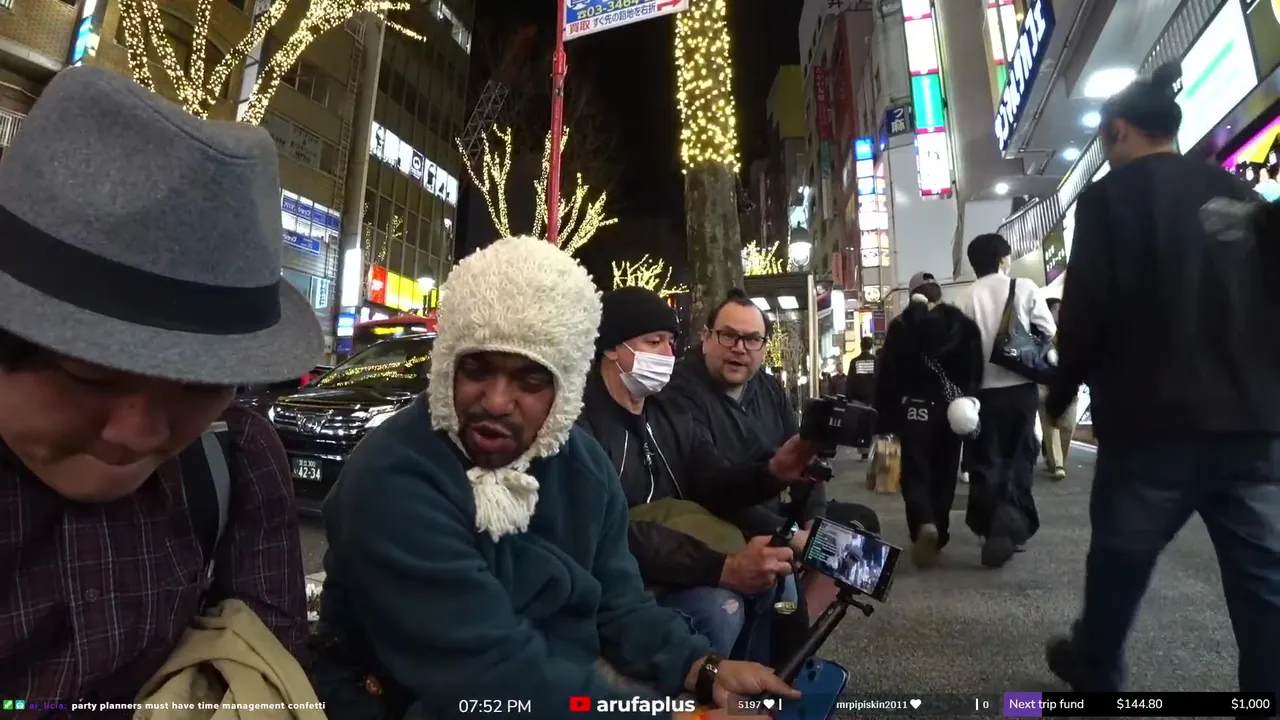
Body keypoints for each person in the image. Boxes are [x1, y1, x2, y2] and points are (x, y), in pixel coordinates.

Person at [314, 236, 798, 719]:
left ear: (564, 386)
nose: (496, 401)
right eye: (477, 369)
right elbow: (487, 675)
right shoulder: (392, 476)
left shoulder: (583, 466)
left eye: (530, 379)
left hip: (557, 678)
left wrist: (704, 669)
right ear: (446, 369)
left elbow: (618, 604)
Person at [0, 67, 317, 707]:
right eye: (90, 373)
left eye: (198, 386)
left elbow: (268, 683)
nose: (139, 432)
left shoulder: (237, 460)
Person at [1042, 62, 1280, 697]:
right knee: (1266, 586)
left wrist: (1062, 393)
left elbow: (1087, 308)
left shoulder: (1108, 199)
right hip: (1250, 422)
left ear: (1118, 129)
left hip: (1151, 423)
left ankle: (1098, 673)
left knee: (1119, 565)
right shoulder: (1240, 193)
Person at [577, 287, 821, 663]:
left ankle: (766, 686)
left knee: (772, 575)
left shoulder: (668, 415)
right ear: (611, 348)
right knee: (720, 609)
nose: (667, 355)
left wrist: (774, 473)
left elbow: (714, 483)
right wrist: (722, 568)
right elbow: (610, 533)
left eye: (671, 343)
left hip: (676, 562)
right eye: (654, 342)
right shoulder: (580, 428)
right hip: (616, 584)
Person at [664, 289, 880, 630]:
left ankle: (796, 639)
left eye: (752, 339)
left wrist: (813, 521)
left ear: (764, 347)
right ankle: (785, 638)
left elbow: (803, 455)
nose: (739, 348)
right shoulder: (680, 392)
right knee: (811, 554)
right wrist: (791, 533)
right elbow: (709, 488)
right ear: (706, 338)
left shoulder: (767, 388)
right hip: (718, 519)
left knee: (862, 545)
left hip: (777, 514)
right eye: (728, 335)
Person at [956, 233, 1056, 569]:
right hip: (1020, 389)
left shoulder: (964, 298)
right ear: (1003, 258)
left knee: (986, 460)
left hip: (980, 395)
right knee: (1019, 457)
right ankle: (1008, 526)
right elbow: (1048, 330)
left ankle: (990, 527)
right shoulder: (1023, 287)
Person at [874, 273, 983, 568]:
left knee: (916, 472)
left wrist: (884, 418)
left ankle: (924, 522)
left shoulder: (902, 326)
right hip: (952, 410)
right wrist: (970, 399)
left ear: (913, 296)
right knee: (945, 473)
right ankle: (940, 530)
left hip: (914, 410)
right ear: (938, 294)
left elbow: (887, 375)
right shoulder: (961, 324)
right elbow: (973, 369)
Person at [1037, 298, 1074, 481]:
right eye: (1054, 309)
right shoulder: (1038, 332)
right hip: (1044, 384)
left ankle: (1060, 460)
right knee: (1049, 425)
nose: (1058, 313)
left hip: (1067, 383)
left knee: (1068, 426)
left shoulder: (1070, 332)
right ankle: (1057, 464)